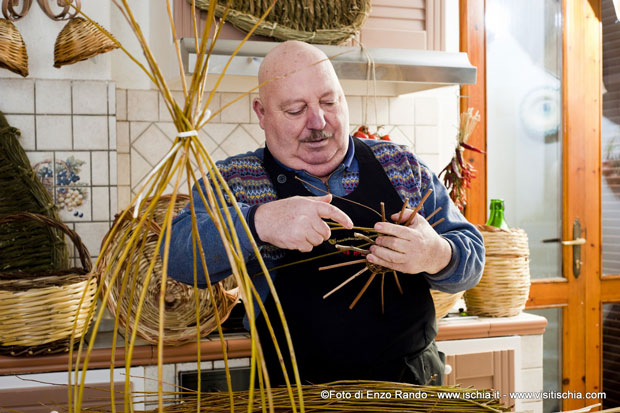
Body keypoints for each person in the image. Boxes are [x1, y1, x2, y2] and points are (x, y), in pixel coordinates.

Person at [166, 40, 484, 386]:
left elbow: (471, 257)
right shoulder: (235, 180)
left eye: (329, 101)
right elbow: (176, 255)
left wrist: (436, 253)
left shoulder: (400, 165)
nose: (318, 121)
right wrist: (258, 222)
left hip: (411, 389)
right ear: (260, 112)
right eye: (295, 110)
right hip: (297, 396)